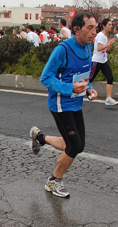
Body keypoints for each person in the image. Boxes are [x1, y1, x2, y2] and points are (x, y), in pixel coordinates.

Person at [30, 12, 98, 198]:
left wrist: (89, 88)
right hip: (60, 104)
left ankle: (40, 137)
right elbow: (46, 78)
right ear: (76, 30)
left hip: (76, 102)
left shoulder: (87, 49)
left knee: (77, 144)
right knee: (74, 146)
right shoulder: (63, 49)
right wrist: (70, 88)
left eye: (95, 27)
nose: (94, 32)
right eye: (89, 28)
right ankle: (54, 181)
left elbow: (83, 75)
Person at [89, 18, 118, 106]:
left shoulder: (105, 36)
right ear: (104, 26)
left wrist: (109, 44)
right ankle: (77, 93)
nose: (111, 26)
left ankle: (108, 98)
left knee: (110, 77)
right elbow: (99, 48)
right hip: (97, 60)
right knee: (89, 79)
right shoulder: (101, 35)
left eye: (111, 25)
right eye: (109, 25)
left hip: (103, 60)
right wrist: (109, 44)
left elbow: (105, 48)